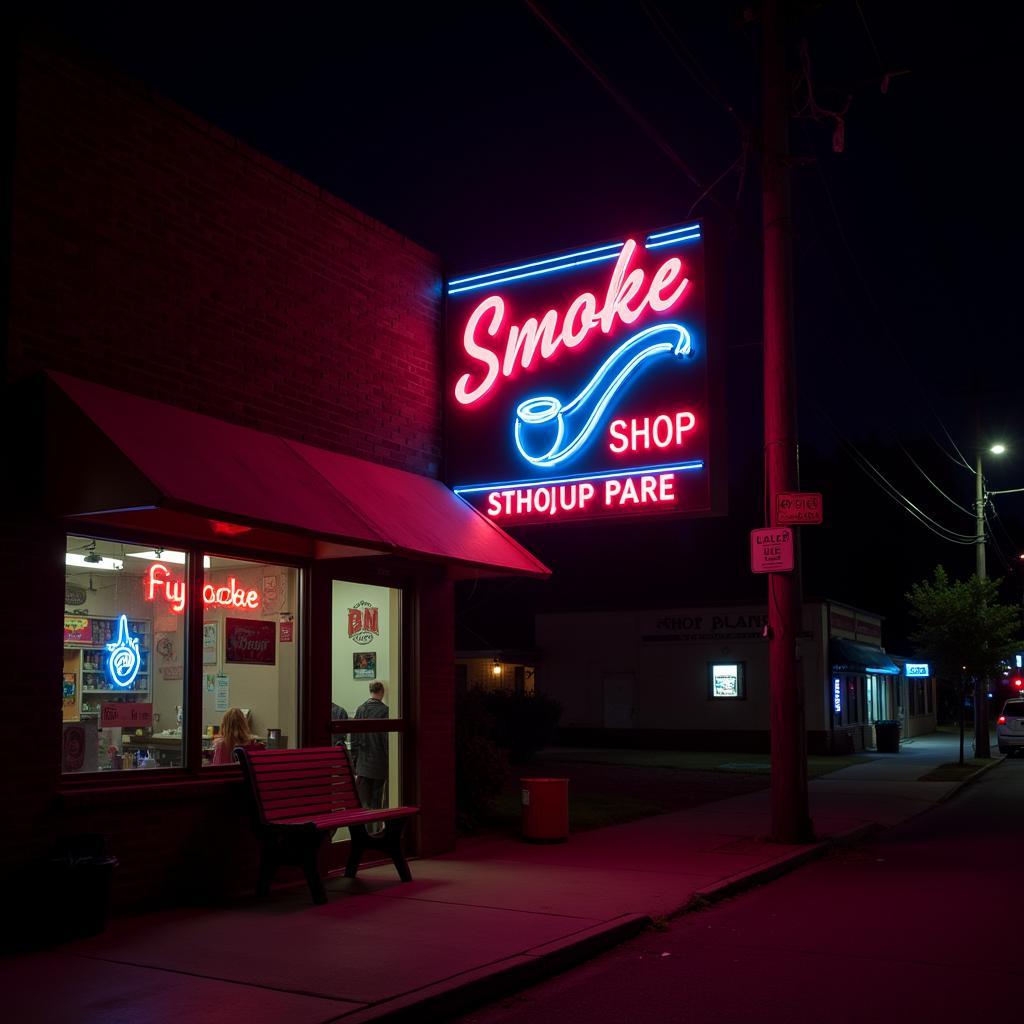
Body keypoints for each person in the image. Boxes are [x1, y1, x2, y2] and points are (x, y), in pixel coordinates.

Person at [351, 681, 388, 810]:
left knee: (364, 803)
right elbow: (386, 740)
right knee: (377, 803)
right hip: (379, 765)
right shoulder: (385, 711)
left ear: (370, 691)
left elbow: (354, 738)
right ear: (382, 692)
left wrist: (355, 761)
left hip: (363, 765)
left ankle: (367, 828)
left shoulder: (360, 709)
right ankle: (376, 829)